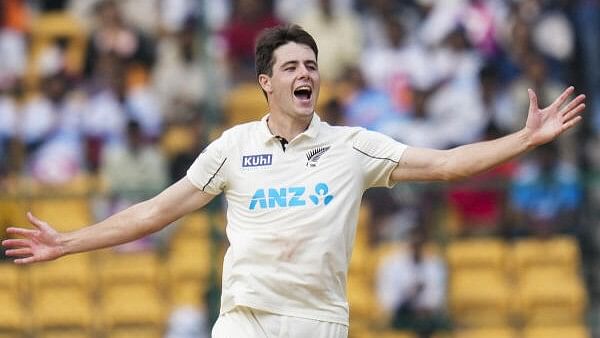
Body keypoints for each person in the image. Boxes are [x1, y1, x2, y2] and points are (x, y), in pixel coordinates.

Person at [1, 25, 586, 338]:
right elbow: (156, 210)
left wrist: (523, 140)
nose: (305, 73)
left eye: (311, 64)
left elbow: (446, 163)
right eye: (291, 66)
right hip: (246, 320)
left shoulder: (352, 146)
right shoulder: (233, 146)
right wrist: (68, 242)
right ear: (265, 82)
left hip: (320, 324)